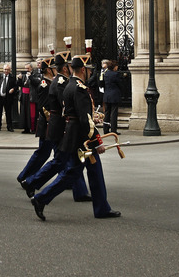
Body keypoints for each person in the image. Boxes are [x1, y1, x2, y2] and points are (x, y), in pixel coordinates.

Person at [30, 53, 118, 220]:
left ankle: (42, 198)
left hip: (73, 134)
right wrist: (97, 141)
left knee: (74, 172)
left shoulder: (69, 85)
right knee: (89, 172)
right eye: (89, 70)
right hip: (82, 137)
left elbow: (70, 112)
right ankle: (101, 209)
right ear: (83, 70)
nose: (91, 73)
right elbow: (85, 120)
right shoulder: (80, 89)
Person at [20, 50, 90, 203]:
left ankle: (79, 191)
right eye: (70, 66)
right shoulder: (59, 83)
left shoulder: (62, 81)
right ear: (65, 68)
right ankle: (32, 182)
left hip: (62, 126)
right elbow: (62, 106)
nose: (72, 68)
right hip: (59, 127)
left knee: (71, 160)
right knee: (61, 160)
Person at [101, 60, 128, 134]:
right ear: (114, 67)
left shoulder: (105, 74)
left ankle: (105, 129)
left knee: (107, 113)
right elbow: (120, 84)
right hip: (114, 95)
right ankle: (113, 129)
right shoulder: (115, 74)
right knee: (113, 113)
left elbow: (102, 83)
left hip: (107, 95)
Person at [0, 64, 17, 131]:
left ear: (10, 70)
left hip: (8, 97)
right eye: (5, 69)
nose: (6, 71)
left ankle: (9, 126)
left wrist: (13, 89)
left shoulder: (12, 77)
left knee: (8, 113)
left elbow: (16, 86)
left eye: (7, 70)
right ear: (3, 70)